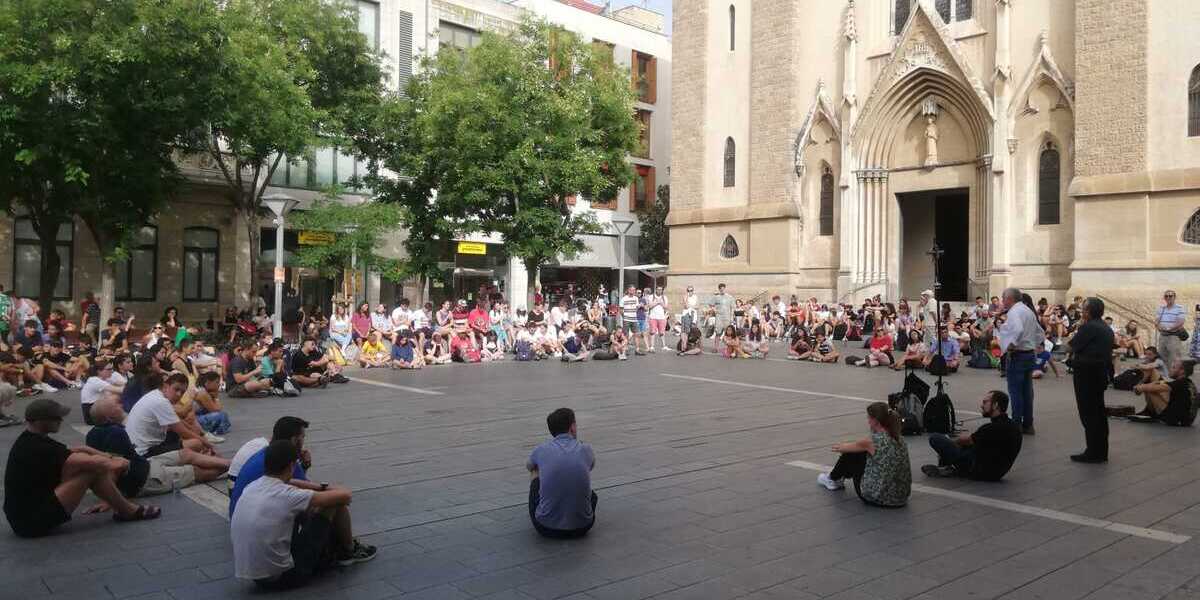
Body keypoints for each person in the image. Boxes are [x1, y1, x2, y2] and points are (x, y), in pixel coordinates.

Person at [231, 440, 376, 590]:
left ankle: (332, 549)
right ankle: (349, 550)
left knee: (302, 508)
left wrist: (317, 489)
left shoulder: (253, 486)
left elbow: (291, 483)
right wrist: (325, 488)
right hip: (283, 577)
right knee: (332, 504)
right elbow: (345, 495)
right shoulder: (286, 495)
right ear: (291, 466)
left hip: (255, 576)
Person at [5, 399, 160, 537]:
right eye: (56, 417)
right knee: (91, 470)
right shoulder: (39, 447)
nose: (61, 420)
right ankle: (128, 511)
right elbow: (94, 463)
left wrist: (99, 454)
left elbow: (74, 453)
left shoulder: (30, 440)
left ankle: (125, 510)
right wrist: (115, 461)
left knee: (88, 466)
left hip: (22, 518)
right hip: (30, 523)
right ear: (40, 421)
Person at [86, 398, 230, 497]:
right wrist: (111, 500)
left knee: (186, 454)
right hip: (144, 480)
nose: (121, 406)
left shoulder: (92, 434)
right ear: (109, 417)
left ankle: (231, 464)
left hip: (145, 463)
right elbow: (112, 467)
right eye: (115, 407)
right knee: (197, 472)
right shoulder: (115, 433)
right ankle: (232, 467)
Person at [817, 402, 911, 508]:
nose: (868, 422)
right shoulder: (900, 438)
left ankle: (833, 478)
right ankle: (837, 478)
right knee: (863, 452)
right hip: (901, 498)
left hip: (878, 498)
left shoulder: (872, 441)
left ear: (875, 421)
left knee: (853, 454)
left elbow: (842, 448)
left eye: (869, 418)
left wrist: (845, 447)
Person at [525, 408, 598, 538]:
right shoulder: (585, 449)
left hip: (546, 528)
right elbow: (591, 466)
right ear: (572, 427)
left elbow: (529, 466)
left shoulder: (541, 449)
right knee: (585, 482)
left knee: (536, 470)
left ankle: (548, 507)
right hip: (583, 526)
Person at [921, 391, 1022, 480]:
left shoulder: (990, 428)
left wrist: (951, 442)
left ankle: (952, 467)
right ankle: (951, 467)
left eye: (985, 402)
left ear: (995, 405)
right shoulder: (1014, 427)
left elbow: (966, 440)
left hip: (978, 469)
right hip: (998, 473)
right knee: (966, 444)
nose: (982, 406)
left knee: (936, 438)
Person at [1067, 297, 1115, 463]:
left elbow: (1072, 345)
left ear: (1088, 311)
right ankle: (1101, 450)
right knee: (1098, 413)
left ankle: (1094, 451)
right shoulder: (1105, 328)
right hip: (1099, 373)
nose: (1082, 312)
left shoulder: (1089, 327)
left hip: (1087, 374)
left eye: (1084, 309)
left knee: (1089, 414)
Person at [126, 373, 217, 458]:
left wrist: (199, 433)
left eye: (182, 392)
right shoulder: (161, 402)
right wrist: (208, 444)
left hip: (136, 447)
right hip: (143, 452)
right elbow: (183, 431)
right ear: (166, 386)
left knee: (180, 435)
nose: (179, 394)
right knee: (196, 443)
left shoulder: (155, 395)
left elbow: (180, 422)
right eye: (176, 389)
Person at [996, 287, 1043, 435]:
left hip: (1018, 355)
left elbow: (1017, 329)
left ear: (1010, 299)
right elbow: (1039, 332)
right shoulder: (1028, 310)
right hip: (1029, 354)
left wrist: (1011, 345)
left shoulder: (1014, 312)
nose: (1003, 301)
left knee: (1015, 391)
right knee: (1027, 391)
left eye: (1004, 299)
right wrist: (1033, 345)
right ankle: (1028, 424)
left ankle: (1016, 424)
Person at [1133, 360, 1198, 421]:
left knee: (1150, 389)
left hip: (1176, 419)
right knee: (1153, 379)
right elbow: (1160, 384)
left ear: (1182, 371)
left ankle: (1150, 412)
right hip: (1187, 419)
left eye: (1173, 368)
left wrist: (1139, 388)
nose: (1170, 370)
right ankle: (1149, 410)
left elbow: (1154, 388)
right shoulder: (1187, 382)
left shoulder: (1179, 383)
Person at [80, 359, 124, 425]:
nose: (112, 371)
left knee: (113, 396)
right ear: (99, 371)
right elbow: (120, 390)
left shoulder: (105, 378)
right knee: (115, 396)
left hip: (97, 409)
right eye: (109, 369)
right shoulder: (95, 380)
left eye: (112, 369)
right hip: (92, 413)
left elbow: (124, 383)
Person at [1155, 290, 1188, 370]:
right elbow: (1157, 321)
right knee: (1162, 356)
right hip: (1163, 336)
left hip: (1174, 336)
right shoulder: (1161, 308)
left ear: (1174, 297)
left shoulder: (1180, 308)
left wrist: (1168, 328)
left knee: (1174, 357)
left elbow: (1180, 322)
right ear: (1164, 298)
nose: (1168, 297)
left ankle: (1173, 377)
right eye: (1166, 296)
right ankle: (1164, 376)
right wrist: (1159, 327)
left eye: (1170, 296)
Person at [647, 286, 670, 351]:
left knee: (662, 332)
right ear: (656, 290)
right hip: (653, 317)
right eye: (658, 289)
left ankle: (664, 346)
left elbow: (666, 307)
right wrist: (657, 302)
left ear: (662, 290)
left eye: (661, 290)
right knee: (652, 332)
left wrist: (661, 303)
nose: (659, 291)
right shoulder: (651, 297)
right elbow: (650, 306)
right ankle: (652, 346)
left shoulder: (664, 297)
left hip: (662, 317)